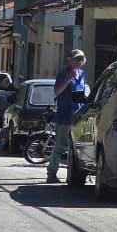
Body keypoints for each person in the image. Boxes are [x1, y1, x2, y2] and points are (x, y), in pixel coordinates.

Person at [48, 49, 87, 183]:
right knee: (60, 146)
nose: (79, 62)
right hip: (65, 115)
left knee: (76, 148)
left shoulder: (82, 74)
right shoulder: (63, 73)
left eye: (81, 59)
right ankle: (51, 173)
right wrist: (68, 78)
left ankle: (74, 176)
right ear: (69, 59)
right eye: (76, 59)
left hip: (78, 116)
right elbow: (56, 91)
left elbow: (82, 91)